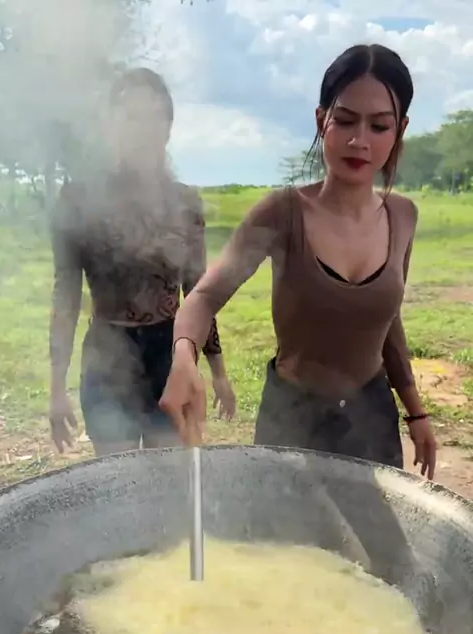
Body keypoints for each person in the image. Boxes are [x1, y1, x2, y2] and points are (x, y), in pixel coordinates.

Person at [160, 43, 436, 479]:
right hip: (292, 419)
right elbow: (205, 296)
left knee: (372, 527)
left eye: (379, 125)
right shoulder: (282, 213)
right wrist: (183, 357)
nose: (358, 140)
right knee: (282, 526)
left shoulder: (403, 216)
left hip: (371, 419)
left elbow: (388, 321)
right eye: (345, 120)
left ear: (399, 129)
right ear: (321, 119)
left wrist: (416, 413)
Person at [49, 68, 235, 456]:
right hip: (107, 355)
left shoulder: (185, 204)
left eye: (154, 117)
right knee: (117, 476)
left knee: (167, 473)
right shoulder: (79, 201)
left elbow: (199, 293)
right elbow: (66, 295)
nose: (143, 130)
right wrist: (56, 389)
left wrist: (218, 372)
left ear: (168, 127)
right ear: (111, 125)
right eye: (131, 117)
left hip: (170, 353)